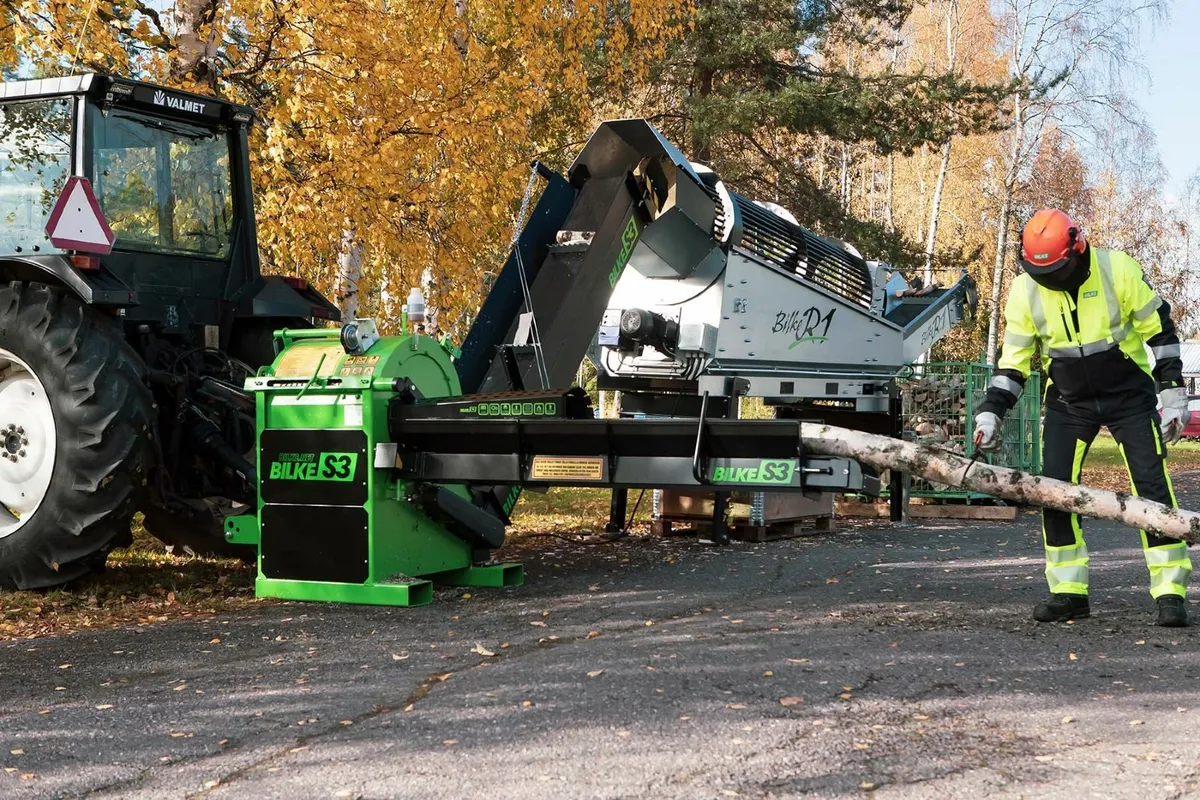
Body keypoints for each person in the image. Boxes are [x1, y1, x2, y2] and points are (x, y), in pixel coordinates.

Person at [975, 208, 1192, 627]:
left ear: (1077, 247)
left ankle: (1170, 592)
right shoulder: (1024, 291)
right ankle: (1068, 593)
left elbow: (1160, 331)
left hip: (1129, 395)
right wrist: (991, 413)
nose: (1050, 280)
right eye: (1042, 273)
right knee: (1053, 490)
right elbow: (1014, 364)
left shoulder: (1117, 270)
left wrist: (1172, 390)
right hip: (1070, 403)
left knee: (1152, 487)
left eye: (1057, 270)